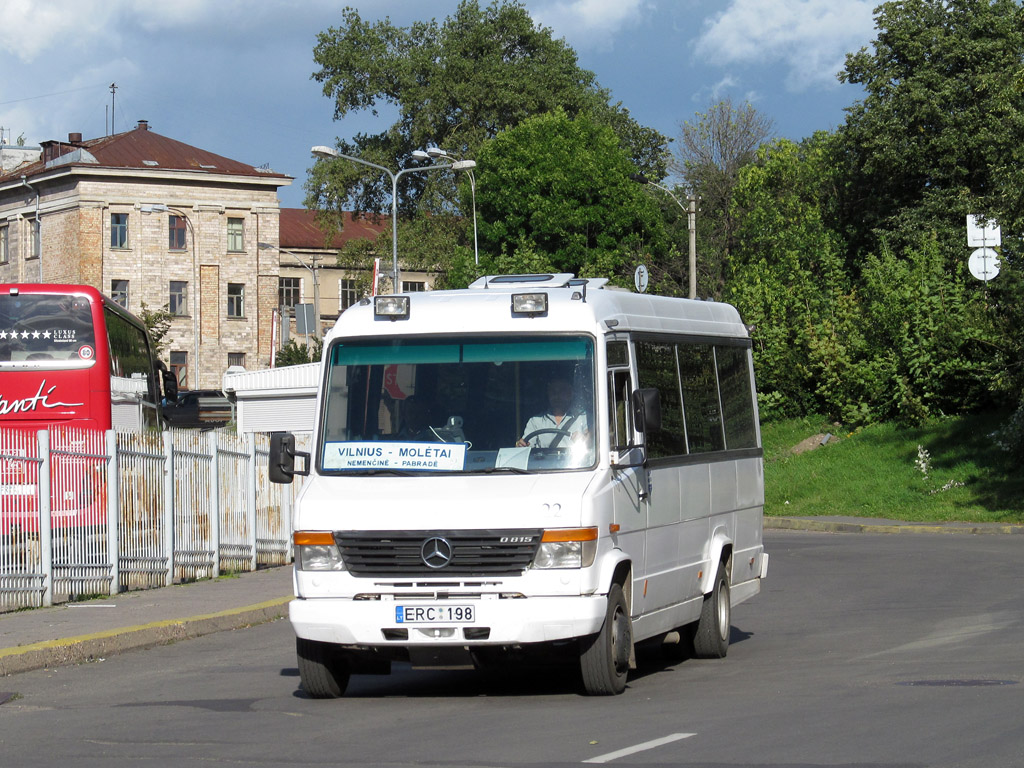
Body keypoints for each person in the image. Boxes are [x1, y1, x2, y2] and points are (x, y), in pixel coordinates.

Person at [517, 378, 589, 448]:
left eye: (562, 391)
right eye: (553, 391)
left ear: (570, 393)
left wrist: (585, 440)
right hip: (543, 460)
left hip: (574, 460)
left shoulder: (583, 419)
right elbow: (526, 448)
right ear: (548, 394)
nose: (557, 396)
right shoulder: (535, 421)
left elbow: (593, 446)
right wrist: (521, 445)